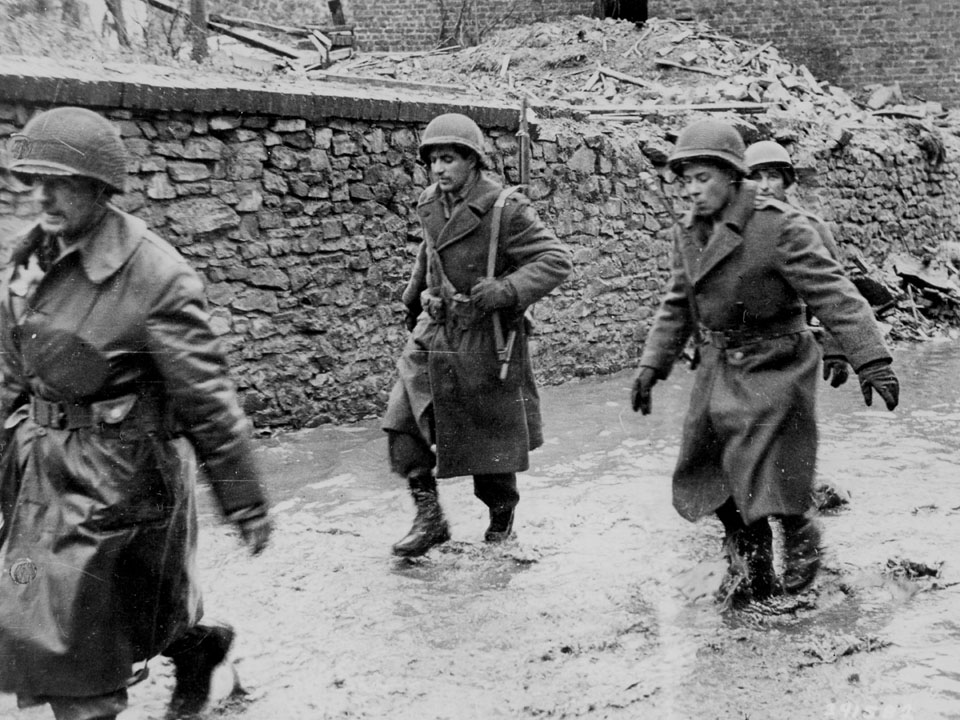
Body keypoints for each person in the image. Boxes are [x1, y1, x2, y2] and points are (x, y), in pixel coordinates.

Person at [0, 106, 272, 720]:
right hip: (40, 470)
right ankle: (198, 649)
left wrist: (244, 500)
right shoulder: (28, 260)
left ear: (100, 187)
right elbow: (9, 371)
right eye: (33, 180)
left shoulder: (156, 276)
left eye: (60, 182)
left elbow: (208, 398)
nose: (41, 195)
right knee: (60, 618)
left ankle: (184, 651)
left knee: (80, 660)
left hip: (120, 480)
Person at [632, 119, 899, 604]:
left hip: (775, 363)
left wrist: (870, 359)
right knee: (714, 477)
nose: (692, 191)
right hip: (716, 366)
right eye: (685, 179)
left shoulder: (779, 226)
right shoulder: (689, 232)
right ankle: (752, 574)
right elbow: (677, 303)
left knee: (766, 471)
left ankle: (799, 533)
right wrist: (653, 364)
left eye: (703, 178)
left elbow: (835, 294)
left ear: (733, 176)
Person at [382, 113, 572, 557]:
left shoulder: (507, 208)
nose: (439, 169)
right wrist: (413, 300)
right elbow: (431, 251)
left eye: (448, 159)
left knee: (492, 441)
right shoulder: (431, 201)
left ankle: (501, 527)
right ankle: (430, 518)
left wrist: (506, 290)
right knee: (401, 418)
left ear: (472, 161)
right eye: (432, 161)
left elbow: (556, 260)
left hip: (487, 335)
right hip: (437, 330)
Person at [745, 140, 849, 388]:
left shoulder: (810, 227)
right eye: (755, 177)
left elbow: (834, 292)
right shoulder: (733, 227)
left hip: (788, 345)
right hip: (739, 351)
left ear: (786, 182)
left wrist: (836, 349)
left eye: (773, 177)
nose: (764, 187)